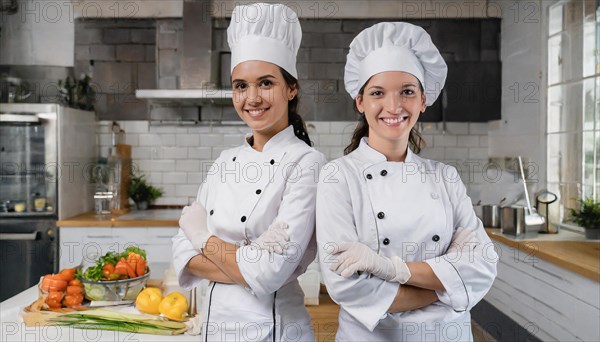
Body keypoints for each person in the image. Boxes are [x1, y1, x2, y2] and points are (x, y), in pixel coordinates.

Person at [316, 22, 498, 341]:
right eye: (377, 93)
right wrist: (447, 287)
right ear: (360, 102)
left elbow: (482, 267)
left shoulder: (445, 177)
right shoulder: (338, 177)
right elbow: (345, 285)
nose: (394, 106)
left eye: (407, 91)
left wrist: (392, 270)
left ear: (423, 100)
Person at [171, 3, 326, 341]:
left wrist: (202, 238)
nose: (252, 98)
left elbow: (270, 273)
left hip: (274, 331)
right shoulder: (224, 162)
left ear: (291, 88)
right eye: (241, 86)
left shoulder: (308, 164)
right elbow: (181, 254)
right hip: (214, 329)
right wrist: (247, 263)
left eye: (266, 83)